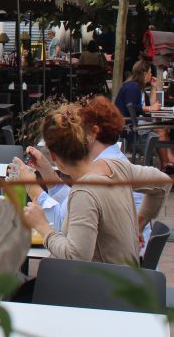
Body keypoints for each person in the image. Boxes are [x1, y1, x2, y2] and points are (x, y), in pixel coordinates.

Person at [21, 103, 170, 264]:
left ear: (53, 156)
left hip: (102, 286)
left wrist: (43, 227)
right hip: (128, 277)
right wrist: (139, 225)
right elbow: (162, 182)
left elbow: (75, 256)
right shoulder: (115, 166)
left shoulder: (83, 192)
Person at [10, 96, 140, 232]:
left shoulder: (102, 170)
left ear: (93, 132)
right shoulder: (109, 161)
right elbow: (74, 205)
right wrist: (48, 173)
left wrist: (31, 187)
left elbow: (65, 224)